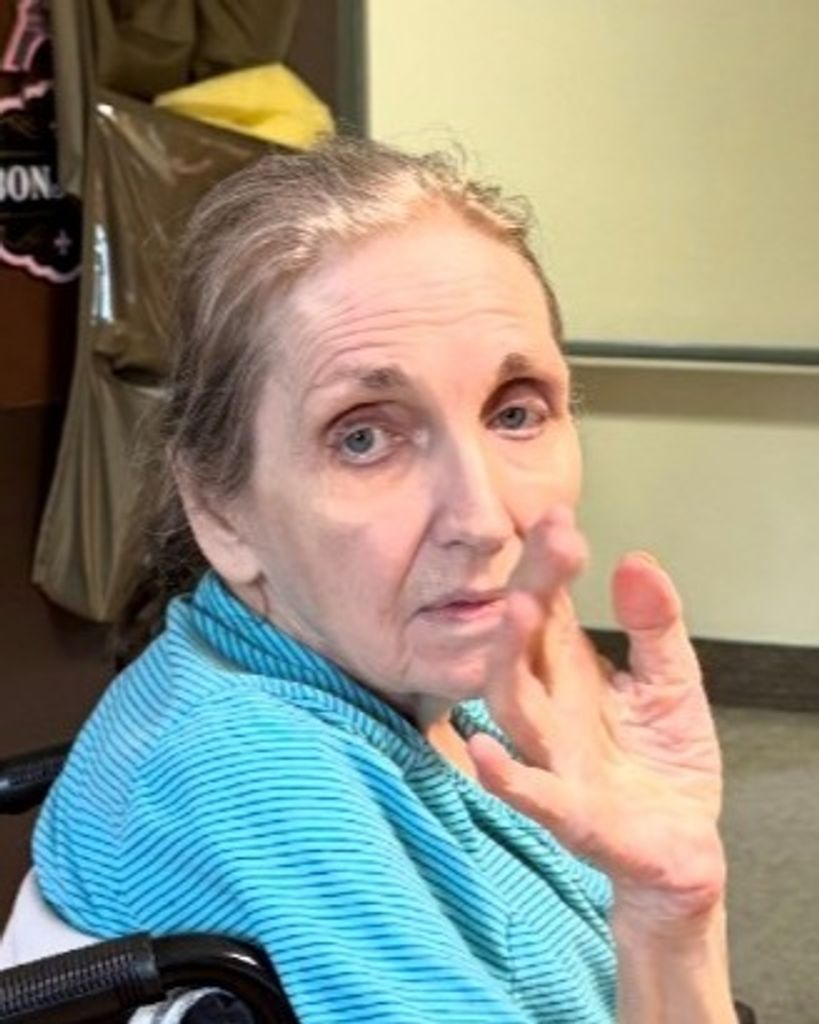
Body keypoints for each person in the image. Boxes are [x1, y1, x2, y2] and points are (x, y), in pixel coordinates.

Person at [33, 136, 738, 1023]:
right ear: (219, 509)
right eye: (363, 436)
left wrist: (673, 905)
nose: (484, 518)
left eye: (514, 413)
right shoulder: (249, 772)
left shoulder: (432, 686)